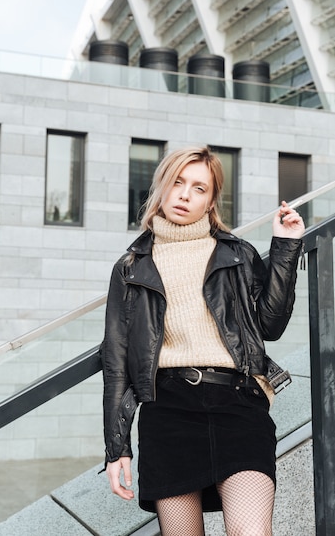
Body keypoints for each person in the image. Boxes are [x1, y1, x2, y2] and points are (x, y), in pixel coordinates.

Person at [100, 146, 305, 536]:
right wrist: (117, 448)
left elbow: (270, 325)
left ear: (211, 201)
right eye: (177, 183)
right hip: (168, 411)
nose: (184, 195)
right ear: (161, 187)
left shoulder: (237, 255)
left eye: (198, 188)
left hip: (238, 404)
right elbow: (117, 362)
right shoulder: (130, 268)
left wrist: (285, 247)